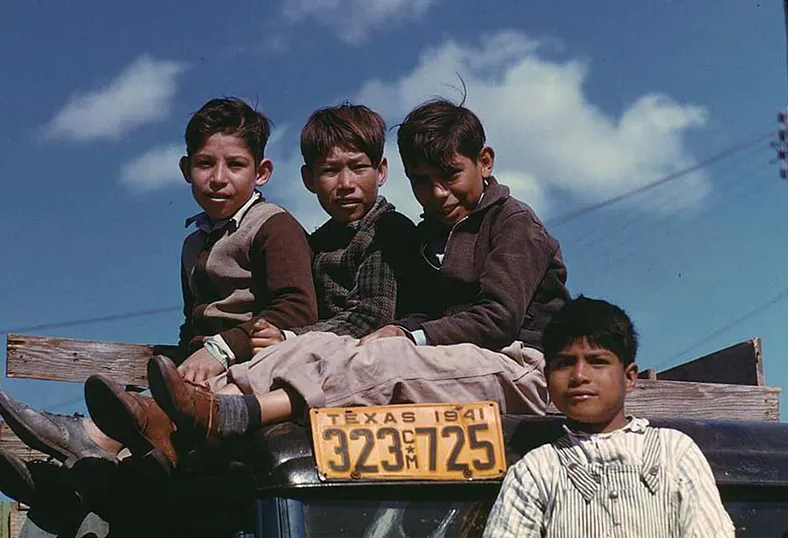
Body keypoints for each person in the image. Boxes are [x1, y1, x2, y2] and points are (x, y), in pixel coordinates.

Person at [113, 98, 569, 455]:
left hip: (522, 366)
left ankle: (239, 413)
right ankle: (160, 423)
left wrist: (407, 334)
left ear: (484, 161)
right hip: (461, 361)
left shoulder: (513, 224)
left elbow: (498, 319)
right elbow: (423, 311)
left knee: (376, 358)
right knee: (322, 346)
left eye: (450, 175)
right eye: (422, 182)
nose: (437, 192)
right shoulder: (433, 232)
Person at [0, 97, 318, 469]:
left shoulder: (273, 226)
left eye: (236, 165)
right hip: (202, 372)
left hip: (252, 367)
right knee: (143, 440)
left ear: (261, 172)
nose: (218, 177)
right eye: (204, 164)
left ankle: (90, 440)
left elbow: (296, 308)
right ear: (185, 169)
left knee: (144, 428)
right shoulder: (194, 242)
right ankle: (74, 480)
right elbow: (192, 323)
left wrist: (221, 350)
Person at [482, 296, 735, 538]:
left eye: (597, 361)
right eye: (564, 363)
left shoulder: (675, 452)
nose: (579, 375)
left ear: (629, 377)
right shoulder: (535, 472)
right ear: (547, 377)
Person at [245, 102, 417, 352]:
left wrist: (290, 339)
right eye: (330, 170)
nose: (346, 183)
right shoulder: (318, 242)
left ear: (380, 171)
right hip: (326, 352)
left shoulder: (387, 230)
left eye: (358, 167)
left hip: (378, 354)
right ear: (309, 179)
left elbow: (369, 318)